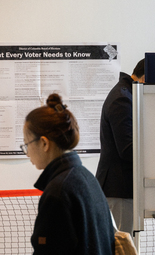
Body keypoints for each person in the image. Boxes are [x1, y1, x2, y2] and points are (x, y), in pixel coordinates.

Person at [21, 94, 115, 255]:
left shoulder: (58, 192)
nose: (27, 153)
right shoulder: (87, 178)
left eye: (27, 144)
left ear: (44, 143)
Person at [96, 59, 145, 236]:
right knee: (121, 247)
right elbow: (127, 149)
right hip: (119, 189)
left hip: (120, 189)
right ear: (144, 79)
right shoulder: (122, 99)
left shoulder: (125, 94)